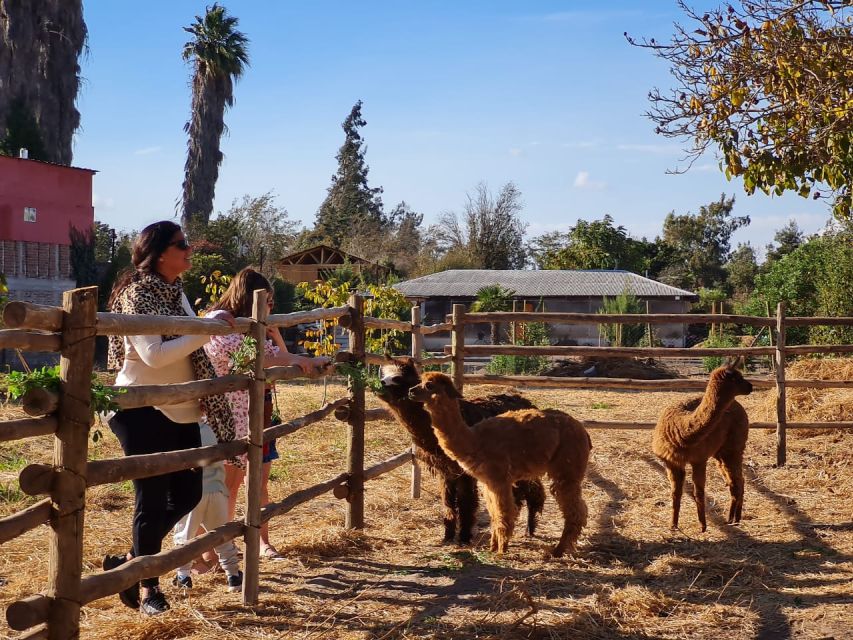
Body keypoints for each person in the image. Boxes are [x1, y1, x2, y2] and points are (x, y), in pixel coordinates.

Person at [102, 221, 236, 616]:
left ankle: (131, 562)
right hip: (141, 409)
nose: (189, 250)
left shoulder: (175, 294)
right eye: (183, 245)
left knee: (189, 494)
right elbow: (154, 356)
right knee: (153, 499)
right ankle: (147, 590)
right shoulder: (138, 293)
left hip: (180, 409)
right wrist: (206, 329)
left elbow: (183, 345)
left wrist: (201, 327)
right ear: (161, 252)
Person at [204, 267, 329, 559]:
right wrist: (301, 359)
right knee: (222, 485)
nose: (271, 307)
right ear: (250, 298)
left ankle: (230, 547)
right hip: (225, 413)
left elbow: (271, 356)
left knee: (240, 483)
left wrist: (302, 359)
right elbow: (258, 358)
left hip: (248, 411)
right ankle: (211, 550)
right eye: (267, 300)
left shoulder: (248, 326)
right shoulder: (220, 324)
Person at [172, 423, 243, 592]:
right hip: (217, 489)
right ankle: (233, 575)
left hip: (191, 492)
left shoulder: (178, 430)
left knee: (185, 534)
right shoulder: (213, 428)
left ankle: (183, 576)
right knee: (222, 536)